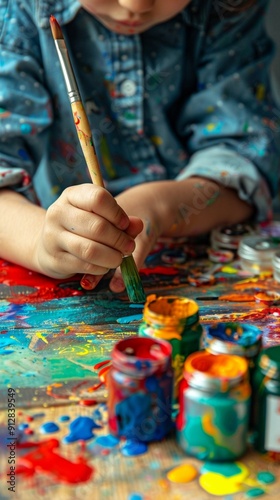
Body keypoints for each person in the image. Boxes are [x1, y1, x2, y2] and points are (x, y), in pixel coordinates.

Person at [0, 0, 279, 294]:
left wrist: (159, 206)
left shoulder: (227, 8)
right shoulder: (18, 11)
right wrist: (39, 244)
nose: (136, 4)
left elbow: (246, 166)